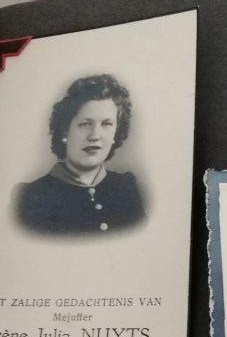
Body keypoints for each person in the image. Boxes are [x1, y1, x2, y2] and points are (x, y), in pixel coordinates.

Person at [14, 74, 145, 234]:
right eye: (85, 124)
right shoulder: (30, 197)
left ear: (115, 133)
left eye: (106, 124)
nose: (95, 135)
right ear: (65, 130)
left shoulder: (126, 187)